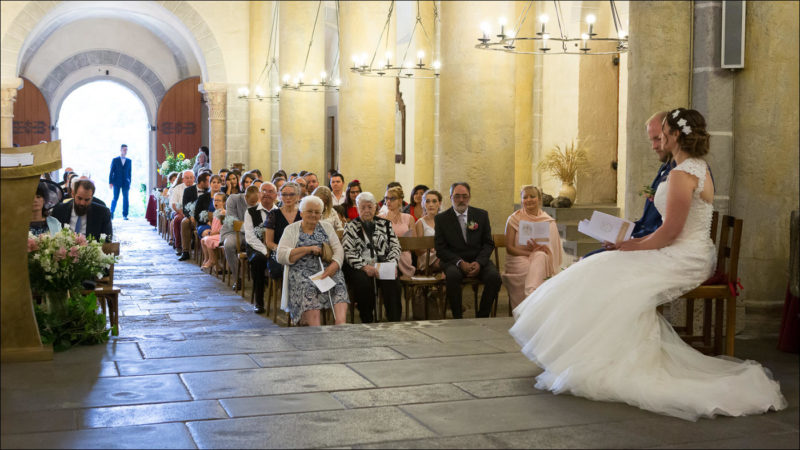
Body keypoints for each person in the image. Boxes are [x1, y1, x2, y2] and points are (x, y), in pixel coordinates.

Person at [510, 108, 786, 420]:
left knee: (607, 273)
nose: (661, 138)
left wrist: (629, 246)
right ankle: (599, 353)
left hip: (684, 255)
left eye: (664, 133)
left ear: (676, 136)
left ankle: (614, 360)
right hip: (689, 250)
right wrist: (628, 246)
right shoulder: (697, 167)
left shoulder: (683, 174)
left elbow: (670, 232)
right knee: (602, 268)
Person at [585, 111, 676, 258]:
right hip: (646, 238)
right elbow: (646, 221)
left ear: (672, 135)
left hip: (656, 246)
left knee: (589, 262)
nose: (654, 146)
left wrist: (631, 240)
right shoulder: (665, 168)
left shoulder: (680, 173)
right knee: (586, 260)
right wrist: (619, 233)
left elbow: (667, 228)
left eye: (658, 139)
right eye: (651, 140)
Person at [276, 195, 350, 326]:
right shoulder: (291, 229)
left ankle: (341, 323)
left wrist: (334, 265)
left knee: (338, 280)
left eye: (317, 212)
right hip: (301, 271)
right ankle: (315, 327)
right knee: (308, 285)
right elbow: (280, 256)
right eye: (310, 211)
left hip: (325, 269)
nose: (313, 215)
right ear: (301, 212)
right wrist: (306, 249)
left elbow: (338, 250)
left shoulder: (326, 227)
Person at [434, 182, 501, 319]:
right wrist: (460, 262)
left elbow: (488, 243)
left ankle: (482, 315)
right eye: (457, 196)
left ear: (469, 197)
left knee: (494, 277)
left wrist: (479, 262)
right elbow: (440, 249)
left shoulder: (481, 215)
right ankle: (457, 317)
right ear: (451, 197)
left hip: (478, 259)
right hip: (454, 261)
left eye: (465, 196)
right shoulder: (441, 219)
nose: (461, 200)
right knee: (452, 276)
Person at [342, 192, 403, 323]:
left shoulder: (385, 224)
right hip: (360, 266)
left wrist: (392, 264)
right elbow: (348, 252)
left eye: (370, 207)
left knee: (392, 279)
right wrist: (364, 266)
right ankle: (367, 319)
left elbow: (395, 246)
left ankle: (394, 319)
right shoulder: (350, 227)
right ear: (358, 208)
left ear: (375, 207)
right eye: (362, 207)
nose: (366, 210)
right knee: (362, 281)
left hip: (383, 263)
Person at [501, 185, 562, 310]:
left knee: (541, 256)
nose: (529, 200)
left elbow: (552, 249)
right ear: (521, 200)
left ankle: (531, 295)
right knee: (528, 268)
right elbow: (509, 248)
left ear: (539, 199)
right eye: (525, 197)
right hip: (517, 258)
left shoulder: (548, 221)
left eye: (532, 196)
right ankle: (527, 308)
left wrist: (541, 248)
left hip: (539, 257)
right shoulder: (513, 219)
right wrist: (528, 252)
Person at [244, 182, 279, 313]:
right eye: (263, 191)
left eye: (270, 191)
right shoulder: (250, 212)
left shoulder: (279, 211)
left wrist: (274, 249)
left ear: (276, 195)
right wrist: (265, 251)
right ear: (259, 194)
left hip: (275, 247)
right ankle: (259, 301)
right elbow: (250, 237)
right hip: (256, 248)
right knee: (258, 260)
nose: (266, 194)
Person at [223, 185, 260, 291]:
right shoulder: (234, 199)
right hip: (235, 232)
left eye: (256, 201)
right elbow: (232, 221)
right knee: (228, 244)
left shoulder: (259, 203)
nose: (254, 204)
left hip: (254, 235)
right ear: (246, 197)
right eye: (252, 202)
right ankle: (237, 278)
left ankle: (263, 277)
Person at [264, 182, 301, 281]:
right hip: (278, 252)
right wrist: (283, 251)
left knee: (304, 268)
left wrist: (296, 252)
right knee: (280, 269)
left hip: (299, 252)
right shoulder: (273, 214)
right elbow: (269, 242)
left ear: (298, 196)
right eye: (284, 194)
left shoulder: (302, 214)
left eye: (291, 194)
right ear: (280, 196)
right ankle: (283, 295)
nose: (288, 197)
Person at [378, 185, 415, 277]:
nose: (388, 201)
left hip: (405, 256)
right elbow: (379, 242)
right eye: (386, 198)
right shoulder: (380, 218)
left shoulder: (409, 218)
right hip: (387, 257)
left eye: (392, 198)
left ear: (400, 201)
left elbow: (414, 242)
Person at [178, 171, 209, 261]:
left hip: (204, 217)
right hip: (192, 217)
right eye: (208, 181)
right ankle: (185, 251)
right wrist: (190, 216)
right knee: (185, 222)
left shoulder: (209, 191)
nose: (210, 183)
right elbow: (185, 207)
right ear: (202, 182)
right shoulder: (188, 190)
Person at [413, 189, 443, 273]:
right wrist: (430, 248)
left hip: (441, 254)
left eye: (434, 201)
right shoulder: (420, 223)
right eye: (427, 201)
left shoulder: (444, 221)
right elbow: (418, 250)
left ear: (439, 203)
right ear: (423, 204)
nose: (431, 205)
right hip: (426, 257)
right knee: (447, 261)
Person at [200, 192, 227, 272]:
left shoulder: (223, 213)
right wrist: (211, 231)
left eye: (218, 200)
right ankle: (207, 259)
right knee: (203, 240)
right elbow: (214, 227)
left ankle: (212, 260)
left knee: (208, 239)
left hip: (221, 235)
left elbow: (223, 229)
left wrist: (213, 233)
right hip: (215, 234)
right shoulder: (216, 213)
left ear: (223, 202)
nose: (216, 202)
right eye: (214, 200)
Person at [194, 174, 223, 239]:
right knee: (208, 234)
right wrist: (207, 222)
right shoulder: (202, 197)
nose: (216, 184)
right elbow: (196, 214)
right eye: (214, 182)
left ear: (221, 184)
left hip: (220, 225)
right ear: (210, 184)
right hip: (205, 224)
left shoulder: (225, 197)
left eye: (218, 182)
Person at [108, 144, 132, 220]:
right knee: (115, 198)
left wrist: (129, 182)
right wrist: (110, 182)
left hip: (126, 183)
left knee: (126, 198)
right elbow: (111, 172)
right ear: (121, 150)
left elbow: (129, 173)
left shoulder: (129, 161)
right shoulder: (115, 160)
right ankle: (111, 213)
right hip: (116, 182)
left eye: (126, 149)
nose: (125, 151)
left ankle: (125, 215)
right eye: (124, 149)